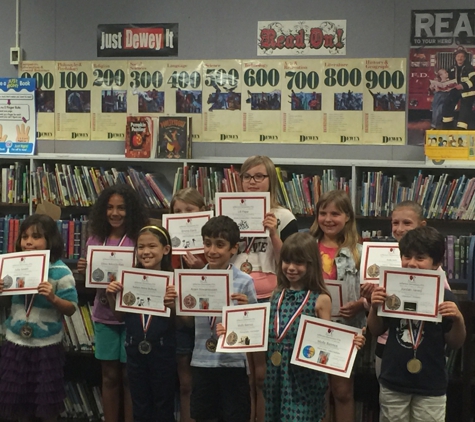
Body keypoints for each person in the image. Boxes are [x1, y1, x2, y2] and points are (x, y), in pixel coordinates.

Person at [219, 232, 364, 422]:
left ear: (311, 265)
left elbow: (328, 341)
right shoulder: (276, 296)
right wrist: (230, 331)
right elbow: (262, 332)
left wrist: (350, 343)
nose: (291, 268)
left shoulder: (320, 300)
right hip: (275, 374)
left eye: (299, 263)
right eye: (287, 261)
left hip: (305, 378)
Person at [367, 226, 466, 422]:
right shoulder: (390, 290)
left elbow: (455, 342)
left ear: (436, 263)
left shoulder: (445, 296)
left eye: (420, 258)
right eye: (407, 257)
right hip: (394, 380)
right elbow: (376, 329)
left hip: (431, 383)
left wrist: (458, 319)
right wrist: (374, 307)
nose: (411, 263)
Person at [231, 155, 298, 422]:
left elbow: (291, 262)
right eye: (247, 176)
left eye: (259, 176)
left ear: (270, 180)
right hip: (236, 297)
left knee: (263, 374)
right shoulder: (228, 211)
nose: (253, 182)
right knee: (243, 371)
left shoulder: (284, 216)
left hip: (270, 298)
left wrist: (273, 234)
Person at [77, 184, 148, 422]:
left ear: (131, 210)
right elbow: (89, 287)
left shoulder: (139, 239)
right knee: (109, 376)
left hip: (131, 316)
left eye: (121, 208)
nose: (114, 213)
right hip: (104, 316)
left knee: (130, 377)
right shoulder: (95, 239)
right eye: (109, 207)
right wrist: (84, 271)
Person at [0, 214, 78, 421]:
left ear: (50, 240)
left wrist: (53, 298)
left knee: (45, 403)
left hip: (46, 346)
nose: (28, 242)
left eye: (36, 237)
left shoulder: (61, 271)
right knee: (15, 402)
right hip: (15, 343)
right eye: (24, 237)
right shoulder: (13, 266)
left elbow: (71, 308)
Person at [363, 200, 452, 378]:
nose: (400, 229)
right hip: (386, 341)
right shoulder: (379, 257)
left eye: (407, 223)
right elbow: (373, 309)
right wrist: (368, 299)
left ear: (422, 225)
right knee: (388, 393)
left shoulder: (430, 266)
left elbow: (442, 303)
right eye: (395, 223)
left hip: (421, 344)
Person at [187, 215, 257, 422]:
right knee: (203, 415)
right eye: (207, 244)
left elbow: (254, 328)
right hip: (202, 361)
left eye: (219, 245)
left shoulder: (245, 282)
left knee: (234, 415)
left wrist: (246, 310)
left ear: (233, 249)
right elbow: (185, 323)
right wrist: (174, 304)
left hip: (233, 363)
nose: (211, 251)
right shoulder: (193, 279)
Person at [106, 224, 177, 421]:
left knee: (163, 404)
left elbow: (181, 323)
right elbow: (120, 317)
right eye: (140, 247)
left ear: (166, 249)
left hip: (163, 351)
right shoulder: (129, 280)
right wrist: (111, 297)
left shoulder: (175, 282)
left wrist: (173, 306)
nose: (145, 252)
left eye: (152, 246)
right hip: (134, 349)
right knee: (139, 404)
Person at [310, 190, 365, 422]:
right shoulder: (307, 246)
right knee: (316, 390)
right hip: (311, 325)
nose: (328, 219)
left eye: (335, 213)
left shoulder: (359, 252)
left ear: (348, 218)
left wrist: (360, 304)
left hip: (345, 326)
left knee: (342, 392)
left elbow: (370, 292)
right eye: (323, 213)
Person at [170, 187, 208, 422]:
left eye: (189, 210)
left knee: (206, 383)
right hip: (180, 318)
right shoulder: (171, 245)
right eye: (177, 211)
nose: (183, 215)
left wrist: (198, 270)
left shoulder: (212, 245)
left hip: (208, 321)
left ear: (203, 212)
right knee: (185, 383)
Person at [442, 46, 475, 130]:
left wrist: (463, 85)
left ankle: (461, 129)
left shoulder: (469, 68)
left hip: (467, 92)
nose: (460, 58)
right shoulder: (452, 68)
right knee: (447, 104)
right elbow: (448, 80)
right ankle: (447, 126)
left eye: (462, 56)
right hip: (455, 91)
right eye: (458, 56)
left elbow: (473, 80)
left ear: (464, 58)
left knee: (465, 109)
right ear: (455, 58)